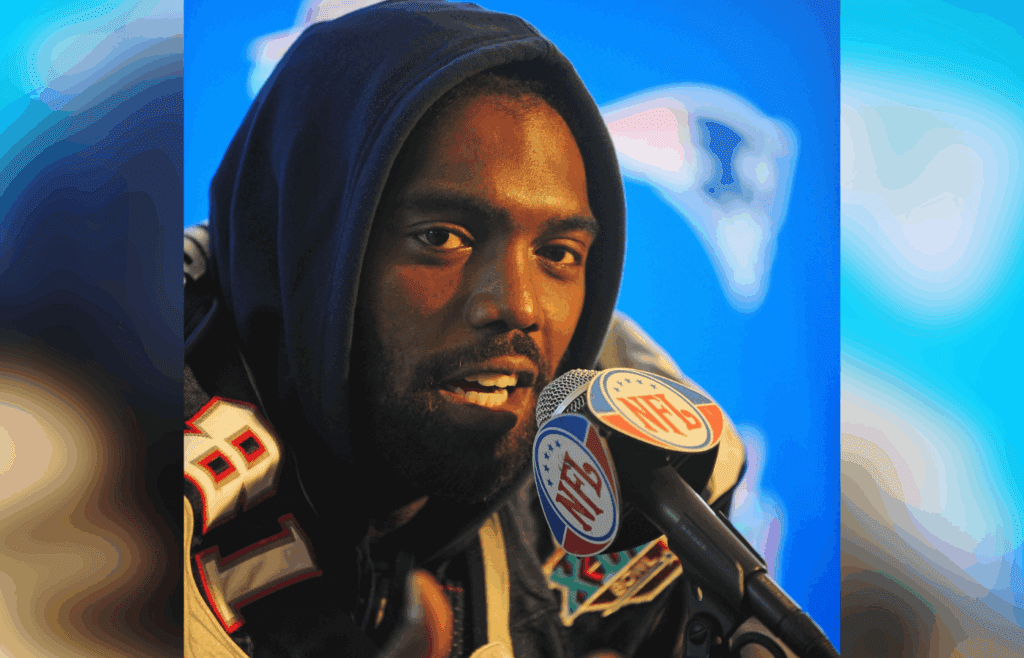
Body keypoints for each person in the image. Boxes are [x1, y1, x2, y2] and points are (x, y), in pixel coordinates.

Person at [183, 2, 746, 656]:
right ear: (310, 247)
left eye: (559, 253)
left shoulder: (634, 441)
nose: (519, 306)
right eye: (443, 238)